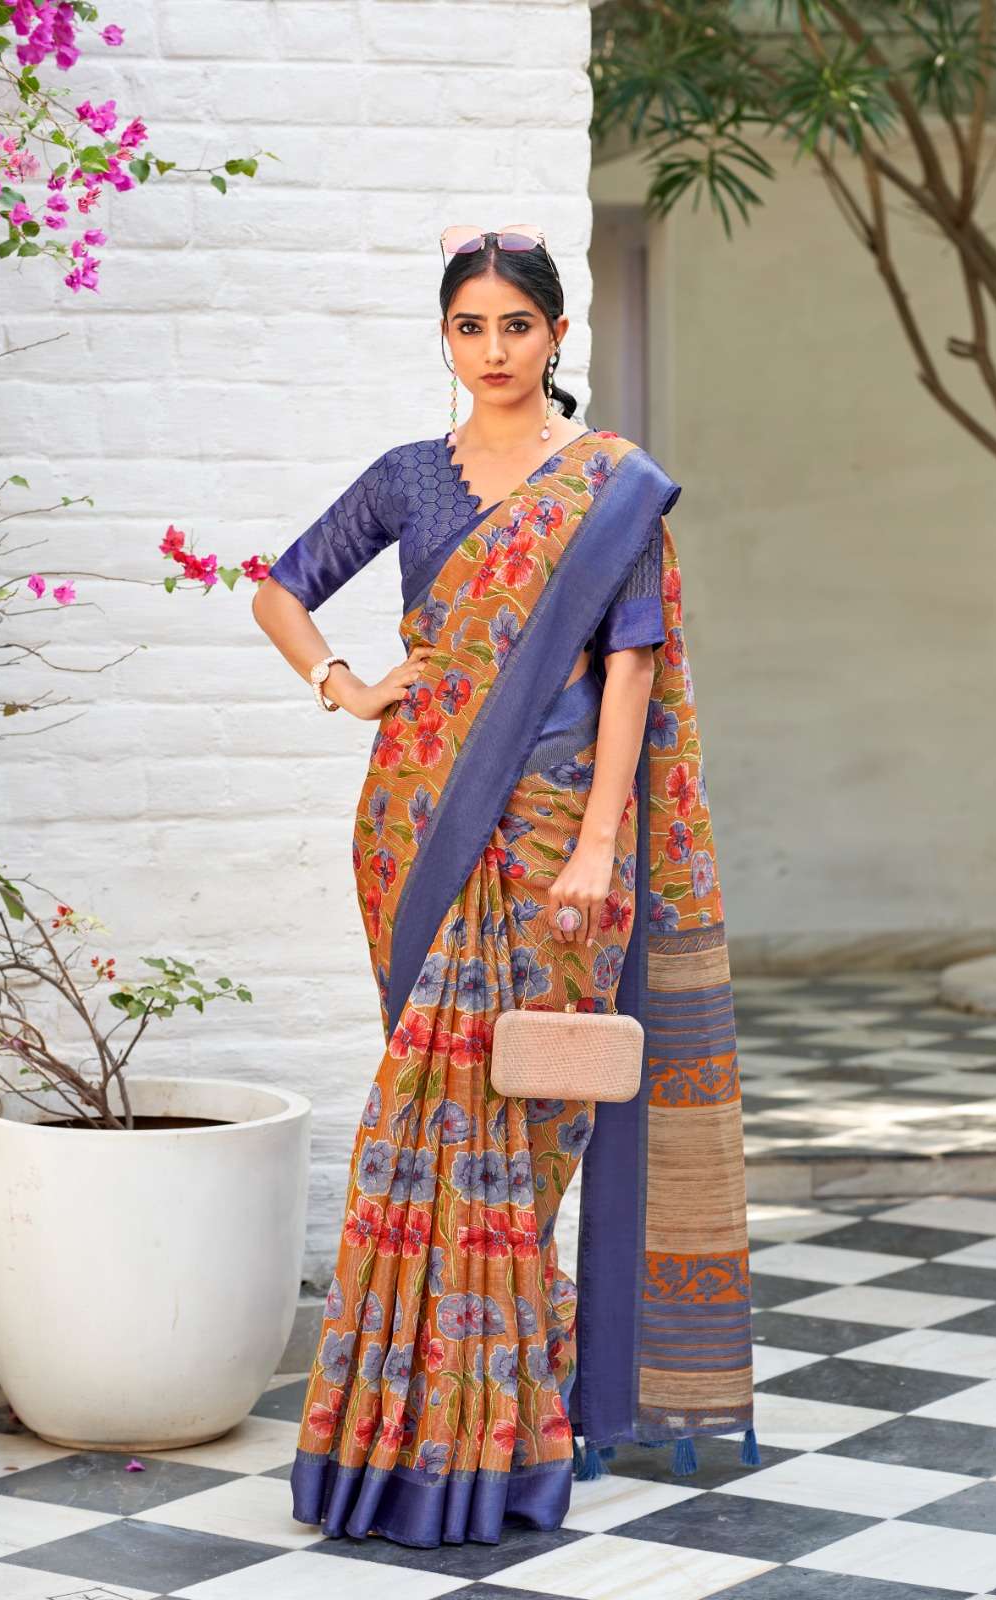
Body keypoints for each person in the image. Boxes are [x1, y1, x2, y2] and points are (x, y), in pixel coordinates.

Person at [252, 225, 758, 1551]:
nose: (493, 350)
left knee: (526, 1128)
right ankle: (414, 1442)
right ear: (446, 337)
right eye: (469, 327)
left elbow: (630, 669)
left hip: (551, 836)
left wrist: (597, 842)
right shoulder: (410, 477)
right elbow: (280, 589)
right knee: (421, 1122)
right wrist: (347, 685)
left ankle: (498, 1440)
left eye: (515, 326)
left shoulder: (610, 489)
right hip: (415, 820)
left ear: (556, 334)